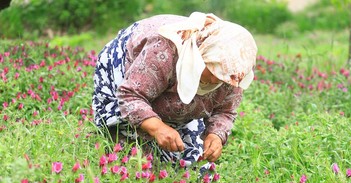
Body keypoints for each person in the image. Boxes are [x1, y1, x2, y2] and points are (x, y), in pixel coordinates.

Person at [92, 12, 257, 169]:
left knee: (189, 163)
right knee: (131, 153)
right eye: (213, 70)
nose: (216, 80)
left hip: (167, 90)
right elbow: (131, 94)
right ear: (202, 55)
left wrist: (215, 135)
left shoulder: (234, 72)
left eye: (224, 77)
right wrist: (157, 127)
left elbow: (225, 112)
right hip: (131, 69)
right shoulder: (164, 50)